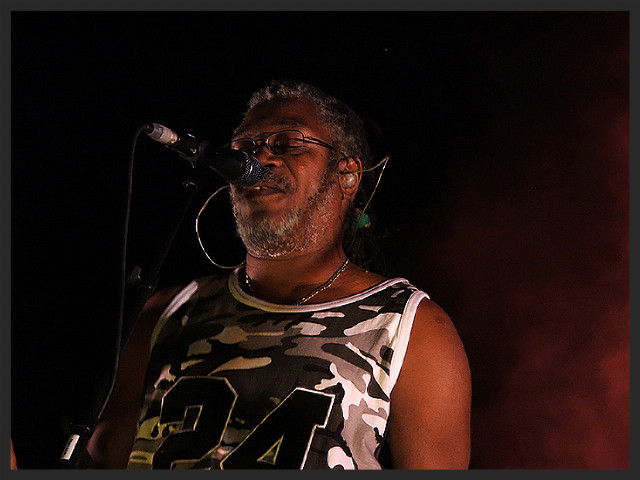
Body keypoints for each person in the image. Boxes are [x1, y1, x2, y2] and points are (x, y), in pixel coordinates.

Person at [84, 80, 471, 469]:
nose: (260, 159)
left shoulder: (412, 329)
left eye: (286, 143)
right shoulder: (164, 313)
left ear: (348, 175)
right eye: (245, 149)